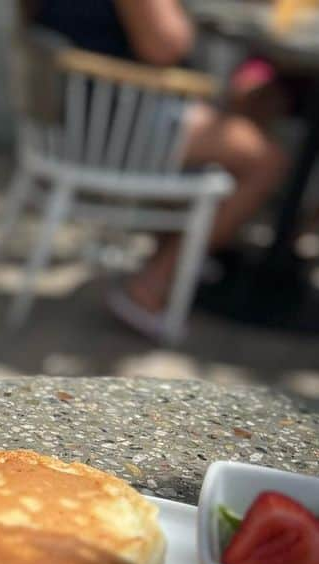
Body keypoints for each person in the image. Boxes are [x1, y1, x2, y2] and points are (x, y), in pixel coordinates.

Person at [29, 0, 289, 335]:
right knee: (268, 162)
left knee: (259, 104)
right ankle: (151, 286)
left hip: (71, 118)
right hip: (114, 122)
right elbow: (165, 45)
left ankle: (185, 249)